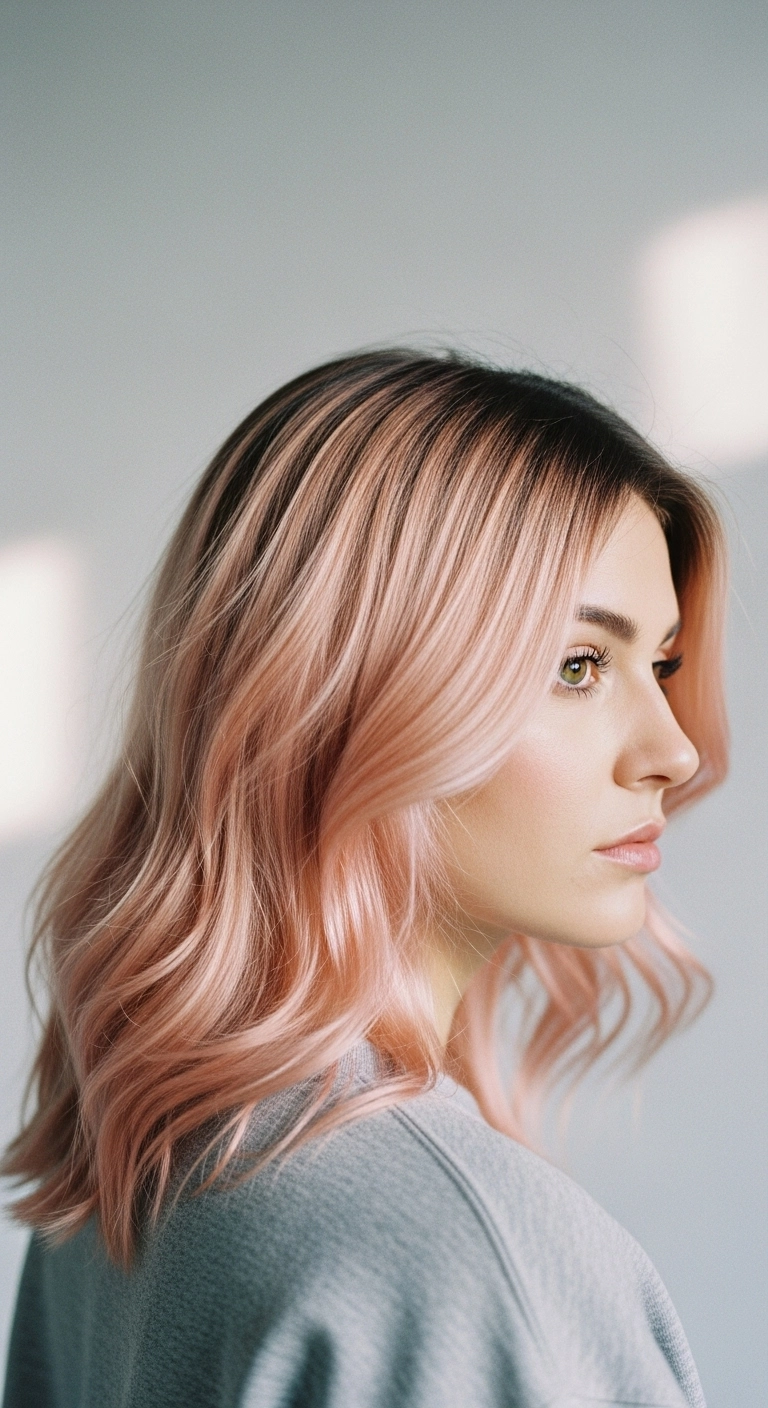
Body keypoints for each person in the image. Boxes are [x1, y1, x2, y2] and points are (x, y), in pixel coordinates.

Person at [1, 350, 728, 1407]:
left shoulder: (139, 1143)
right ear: (346, 696)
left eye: (658, 664)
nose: (676, 751)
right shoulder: (471, 1269)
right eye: (578, 665)